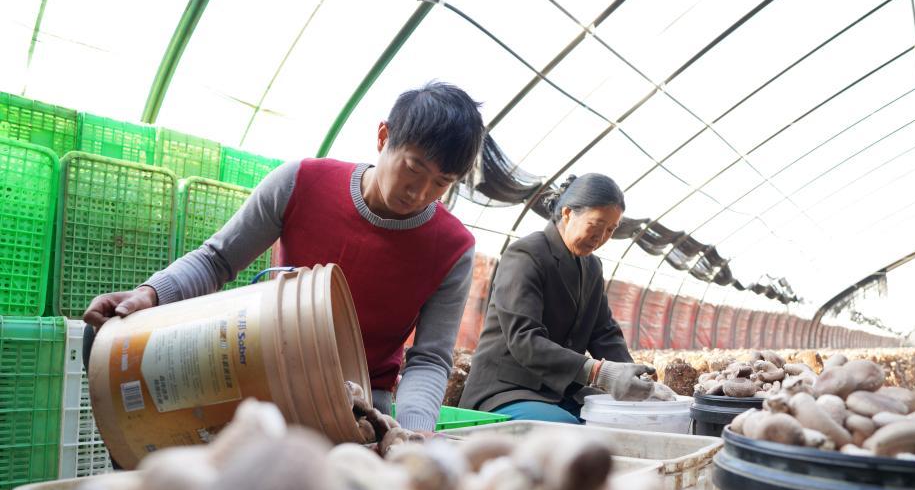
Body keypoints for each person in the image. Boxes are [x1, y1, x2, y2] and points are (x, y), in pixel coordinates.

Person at [83, 82, 485, 433]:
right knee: (108, 336)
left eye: (441, 183)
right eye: (414, 168)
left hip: (359, 401)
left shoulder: (453, 247)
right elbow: (216, 260)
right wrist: (151, 294)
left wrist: (413, 437)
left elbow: (429, 359)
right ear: (384, 137)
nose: (420, 192)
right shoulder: (302, 182)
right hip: (259, 371)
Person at [459, 173, 655, 423]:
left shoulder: (592, 267)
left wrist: (636, 378)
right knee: (571, 431)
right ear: (568, 213)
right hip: (505, 391)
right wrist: (597, 371)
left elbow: (603, 333)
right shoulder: (526, 254)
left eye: (610, 229)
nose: (601, 237)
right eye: (596, 225)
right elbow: (524, 339)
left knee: (621, 420)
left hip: (558, 392)